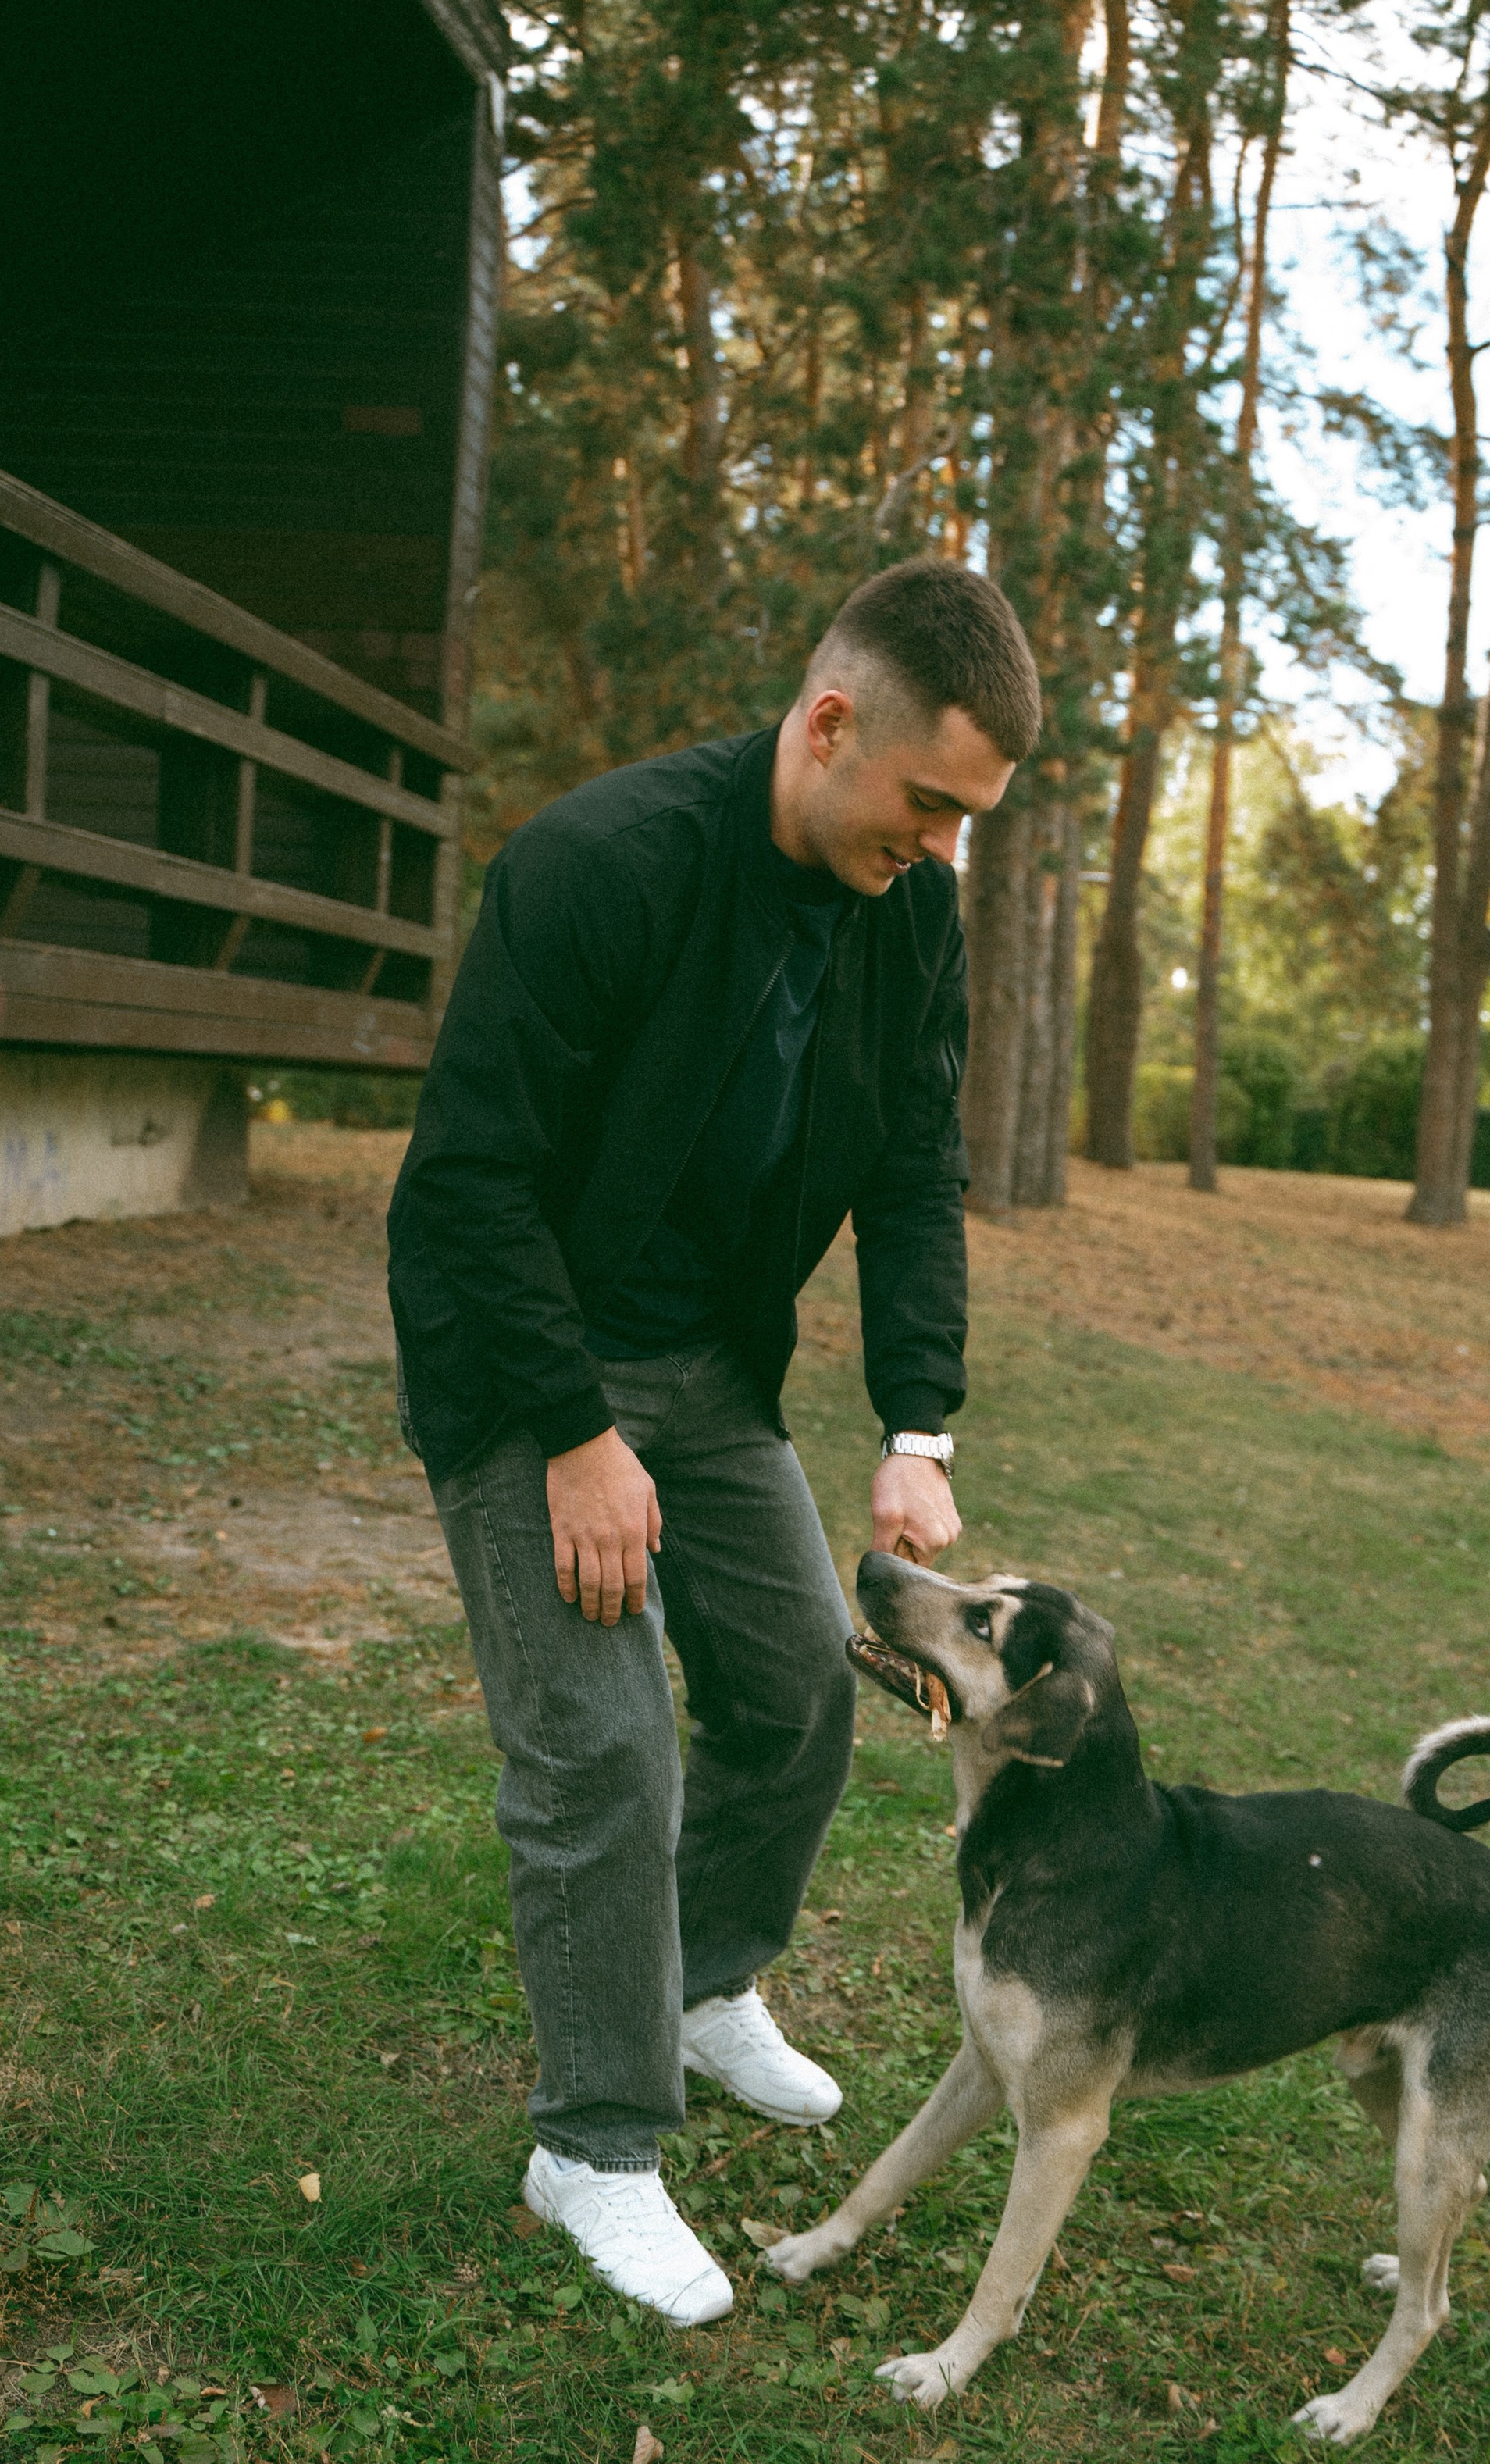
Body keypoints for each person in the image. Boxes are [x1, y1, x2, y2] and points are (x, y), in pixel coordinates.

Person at [387, 556, 1041, 2325]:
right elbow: (469, 1188)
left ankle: (695, 1981)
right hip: (528, 1362)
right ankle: (593, 2146)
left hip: (707, 1369)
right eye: (926, 802)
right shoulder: (601, 865)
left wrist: (915, 1427)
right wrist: (572, 1438)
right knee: (603, 1745)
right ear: (829, 724)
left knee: (795, 1689)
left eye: (968, 819)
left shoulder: (908, 913)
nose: (940, 844)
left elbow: (910, 1172)